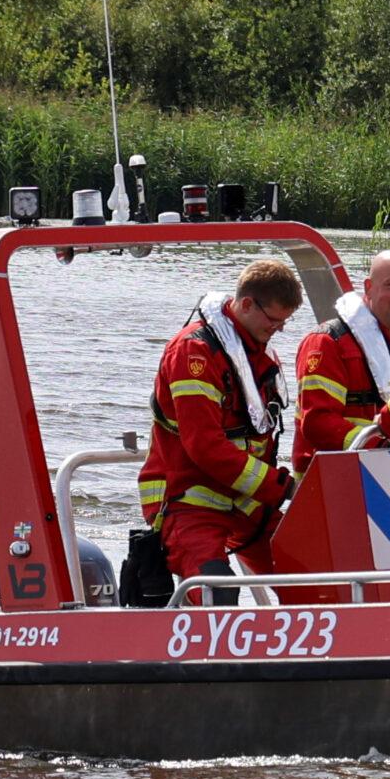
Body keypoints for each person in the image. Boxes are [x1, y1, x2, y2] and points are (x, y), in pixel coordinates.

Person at [139, 258, 301, 603]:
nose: (279, 330)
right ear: (247, 304)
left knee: (312, 575)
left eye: (284, 322)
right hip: (187, 499)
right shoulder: (193, 352)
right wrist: (282, 487)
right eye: (274, 320)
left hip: (246, 500)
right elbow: (205, 446)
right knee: (217, 590)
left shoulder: (255, 351)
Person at [292, 249, 390, 473]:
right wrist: (382, 447)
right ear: (368, 288)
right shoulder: (327, 343)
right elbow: (318, 423)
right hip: (331, 479)